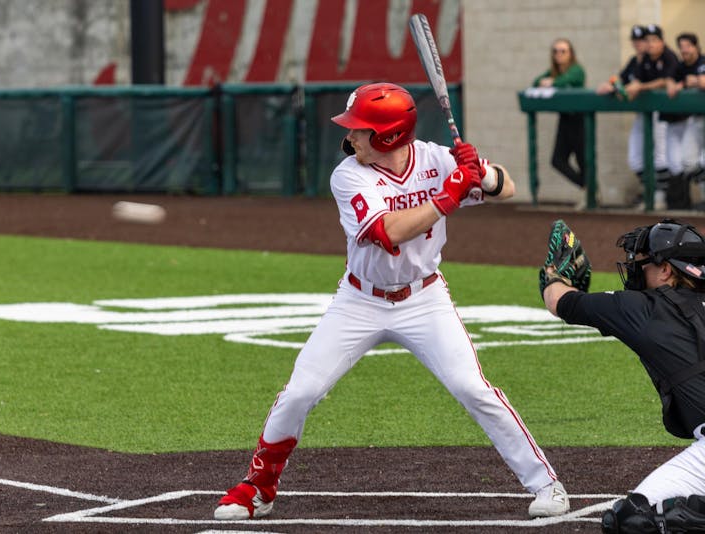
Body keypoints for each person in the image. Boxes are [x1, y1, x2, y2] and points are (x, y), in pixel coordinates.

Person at [213, 82, 570, 521]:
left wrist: (480, 172)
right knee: (301, 390)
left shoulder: (438, 159)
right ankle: (258, 489)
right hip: (359, 300)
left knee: (472, 387)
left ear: (388, 136)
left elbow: (507, 188)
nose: (350, 138)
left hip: (424, 298)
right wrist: (449, 195)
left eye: (360, 130)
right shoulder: (348, 175)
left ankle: (546, 483)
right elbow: (389, 233)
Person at [541, 219, 705, 532]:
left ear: (667, 270)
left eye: (645, 264)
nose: (637, 270)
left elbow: (559, 301)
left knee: (634, 522)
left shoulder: (642, 308)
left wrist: (554, 275)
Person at [624, 24, 679, 210]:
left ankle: (660, 197)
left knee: (661, 157)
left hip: (665, 113)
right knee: (635, 159)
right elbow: (635, 80)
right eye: (647, 40)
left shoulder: (669, 56)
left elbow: (666, 80)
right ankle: (651, 191)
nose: (650, 44)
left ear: (662, 41)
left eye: (654, 40)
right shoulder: (643, 59)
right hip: (645, 112)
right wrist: (628, 87)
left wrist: (640, 87)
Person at [533, 38, 587, 207]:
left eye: (563, 51)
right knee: (557, 160)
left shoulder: (576, 70)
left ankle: (590, 193)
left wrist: (552, 82)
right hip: (565, 119)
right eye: (556, 51)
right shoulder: (553, 71)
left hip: (580, 118)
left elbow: (564, 80)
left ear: (570, 54)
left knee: (583, 159)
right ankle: (587, 187)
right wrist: (548, 81)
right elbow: (536, 82)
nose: (559, 55)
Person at [665, 32, 705, 209]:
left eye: (688, 46)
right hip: (696, 118)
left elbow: (703, 82)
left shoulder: (702, 61)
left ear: (696, 47)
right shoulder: (680, 66)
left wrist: (692, 81)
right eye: (681, 47)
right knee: (688, 162)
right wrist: (677, 84)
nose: (684, 50)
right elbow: (669, 80)